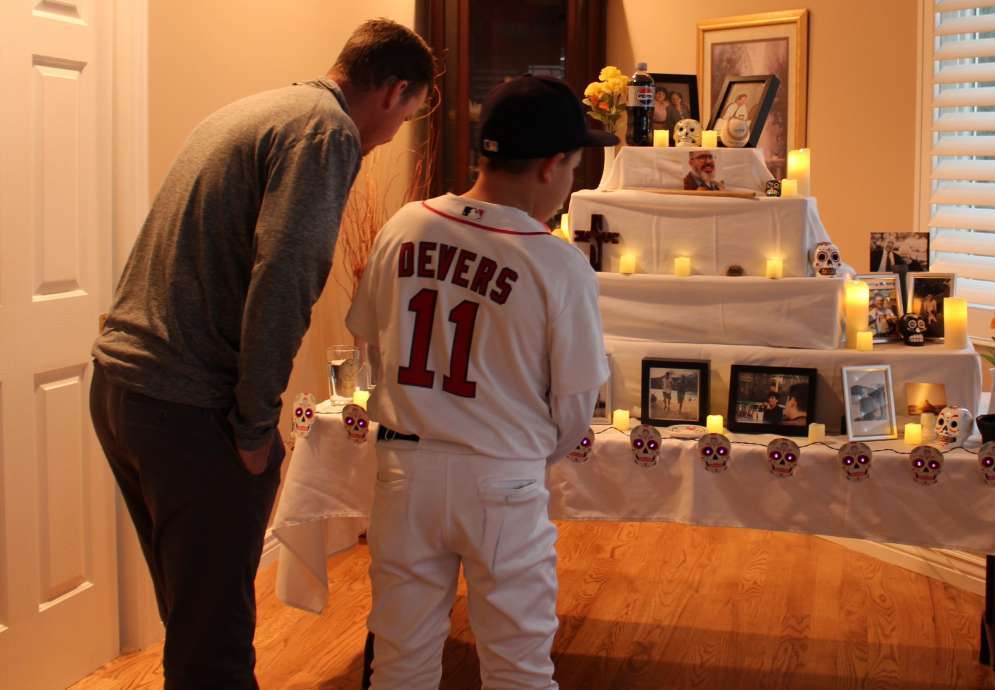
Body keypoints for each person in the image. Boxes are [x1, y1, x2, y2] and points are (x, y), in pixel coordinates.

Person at [89, 19, 434, 690]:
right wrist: (254, 427)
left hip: (123, 387)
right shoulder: (327, 133)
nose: (393, 135)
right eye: (407, 115)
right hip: (188, 407)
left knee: (193, 615)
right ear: (393, 92)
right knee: (214, 641)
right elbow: (286, 276)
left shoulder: (256, 110)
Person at [346, 74, 613, 689]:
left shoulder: (405, 226)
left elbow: (368, 339)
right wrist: (524, 450)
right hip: (502, 475)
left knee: (399, 661)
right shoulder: (555, 261)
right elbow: (574, 407)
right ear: (552, 166)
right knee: (517, 667)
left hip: (403, 470)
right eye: (575, 166)